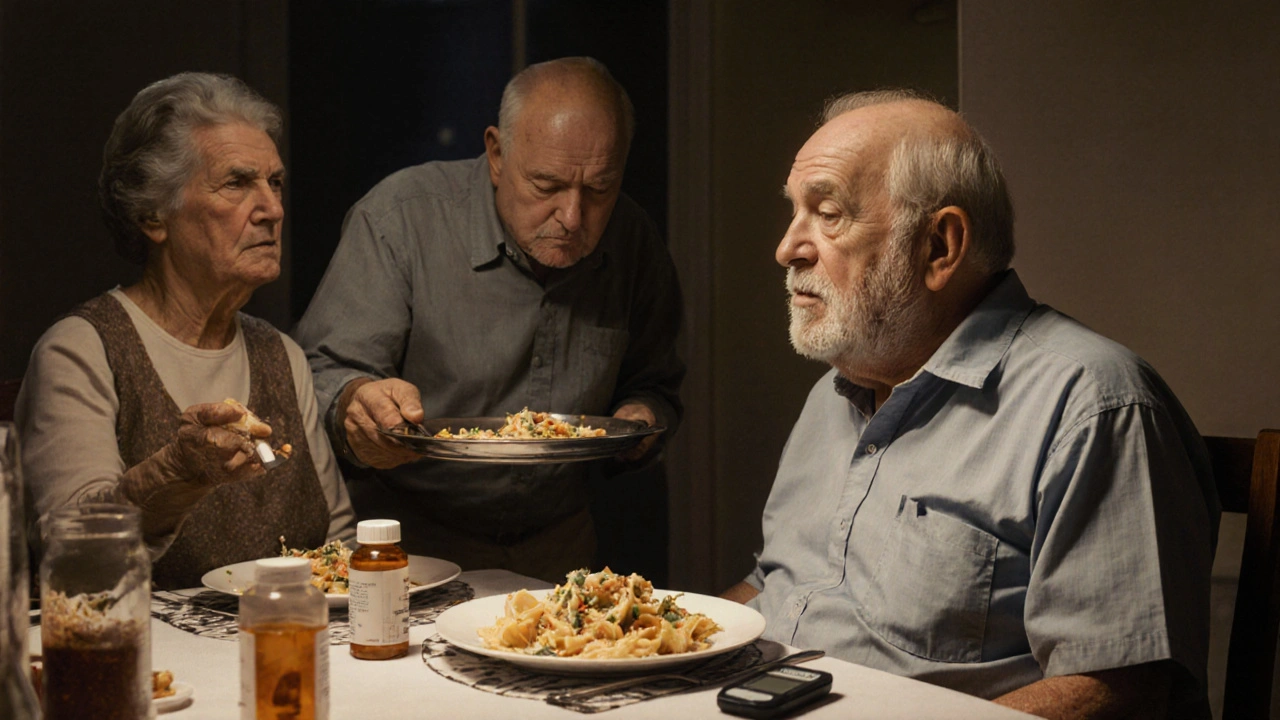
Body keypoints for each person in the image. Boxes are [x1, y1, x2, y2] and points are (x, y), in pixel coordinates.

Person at [721, 89, 1220, 719]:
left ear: (940, 247)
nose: (788, 247)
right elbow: (779, 587)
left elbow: (1119, 691)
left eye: (829, 213)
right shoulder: (834, 391)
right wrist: (652, 643)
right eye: (795, 213)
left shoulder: (1093, 405)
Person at [293, 57, 683, 583]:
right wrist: (355, 408)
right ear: (497, 154)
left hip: (559, 548)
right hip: (409, 545)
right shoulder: (400, 219)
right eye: (546, 186)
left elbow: (655, 382)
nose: (572, 217)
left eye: (598, 189)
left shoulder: (633, 240)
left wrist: (640, 415)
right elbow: (321, 376)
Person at [18, 72, 355, 590]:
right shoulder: (83, 349)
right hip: (148, 664)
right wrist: (177, 472)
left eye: (275, 182)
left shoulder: (280, 354)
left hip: (286, 651)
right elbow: (76, 560)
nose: (273, 209)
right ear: (154, 215)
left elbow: (339, 547)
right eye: (238, 183)